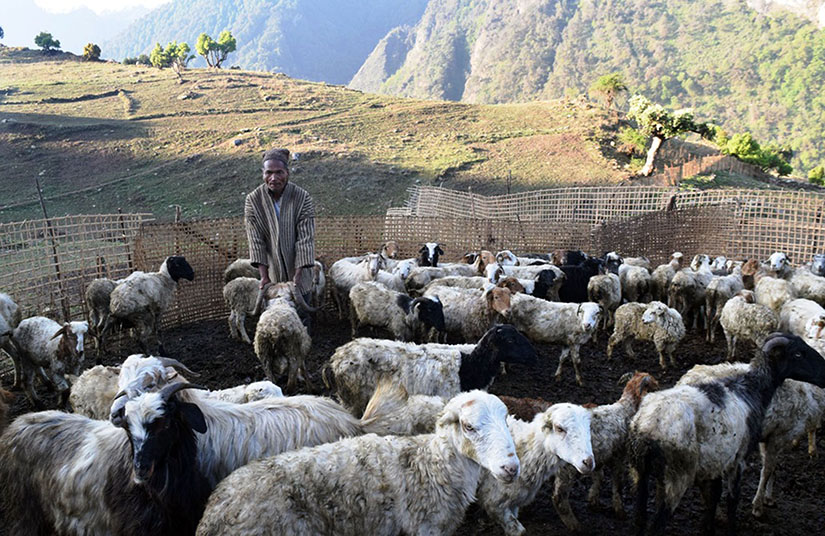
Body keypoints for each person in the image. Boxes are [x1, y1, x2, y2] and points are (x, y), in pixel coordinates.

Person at [244, 148, 316, 305]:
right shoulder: (253, 200)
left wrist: (298, 275)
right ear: (263, 173)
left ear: (287, 173)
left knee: (302, 313)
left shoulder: (302, 197)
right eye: (268, 173)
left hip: (300, 272)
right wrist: (264, 276)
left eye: (279, 172)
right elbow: (256, 240)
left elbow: (305, 239)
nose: (274, 178)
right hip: (272, 273)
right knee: (276, 315)